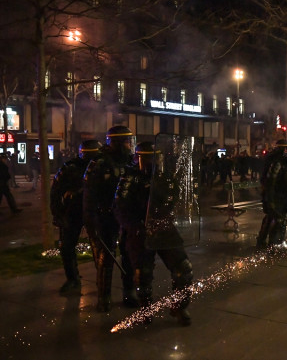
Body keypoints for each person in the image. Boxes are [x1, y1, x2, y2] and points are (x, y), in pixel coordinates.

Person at [113, 142, 193, 326]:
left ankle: (179, 306)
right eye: (147, 158)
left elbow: (173, 200)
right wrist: (136, 226)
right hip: (140, 231)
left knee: (184, 269)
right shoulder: (129, 179)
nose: (151, 162)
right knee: (143, 274)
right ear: (138, 159)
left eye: (155, 158)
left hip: (164, 229)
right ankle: (145, 308)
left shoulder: (164, 177)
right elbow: (120, 208)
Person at [82, 126, 136, 312]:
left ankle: (130, 292)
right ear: (117, 143)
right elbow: (89, 196)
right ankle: (104, 297)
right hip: (105, 217)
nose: (130, 145)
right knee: (106, 259)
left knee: (129, 255)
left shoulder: (131, 162)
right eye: (127, 141)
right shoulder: (98, 163)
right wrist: (91, 223)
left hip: (126, 216)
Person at [50, 140, 101, 294]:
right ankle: (72, 278)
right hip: (72, 212)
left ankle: (103, 279)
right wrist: (58, 213)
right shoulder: (70, 167)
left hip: (94, 212)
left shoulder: (102, 167)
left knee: (100, 248)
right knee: (66, 246)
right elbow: (55, 192)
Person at [256, 139, 287, 249]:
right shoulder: (276, 160)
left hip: (270, 190)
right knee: (273, 216)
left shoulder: (271, 157)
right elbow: (270, 178)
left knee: (270, 216)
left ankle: (263, 240)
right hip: (272, 191)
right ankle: (271, 242)